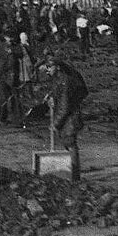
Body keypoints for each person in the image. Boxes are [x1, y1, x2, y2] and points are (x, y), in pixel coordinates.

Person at [40, 52, 89, 181]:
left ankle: (74, 176)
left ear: (57, 66)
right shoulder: (59, 78)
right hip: (69, 116)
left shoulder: (64, 81)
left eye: (49, 67)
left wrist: (55, 123)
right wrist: (51, 96)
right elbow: (59, 94)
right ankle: (73, 174)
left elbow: (64, 106)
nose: (47, 70)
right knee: (69, 144)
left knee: (70, 144)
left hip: (70, 118)